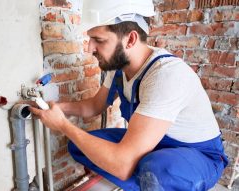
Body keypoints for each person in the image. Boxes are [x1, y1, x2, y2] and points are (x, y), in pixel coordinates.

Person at [29, 0, 228, 190]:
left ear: (131, 39)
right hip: (155, 143)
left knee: (157, 170)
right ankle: (145, 180)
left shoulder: (166, 75)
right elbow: (94, 107)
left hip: (199, 156)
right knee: (79, 146)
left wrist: (63, 125)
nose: (89, 48)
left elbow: (123, 167)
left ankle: (153, 180)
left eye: (98, 40)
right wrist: (55, 108)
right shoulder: (117, 66)